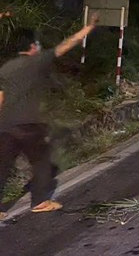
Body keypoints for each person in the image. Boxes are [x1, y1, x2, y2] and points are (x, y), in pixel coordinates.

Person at [0, 16, 98, 217]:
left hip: (6, 125)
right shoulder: (36, 61)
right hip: (29, 125)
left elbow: (0, 97)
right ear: (32, 46)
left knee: (2, 167)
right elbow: (64, 46)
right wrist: (87, 29)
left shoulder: (6, 68)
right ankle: (40, 201)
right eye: (37, 43)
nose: (39, 46)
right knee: (42, 161)